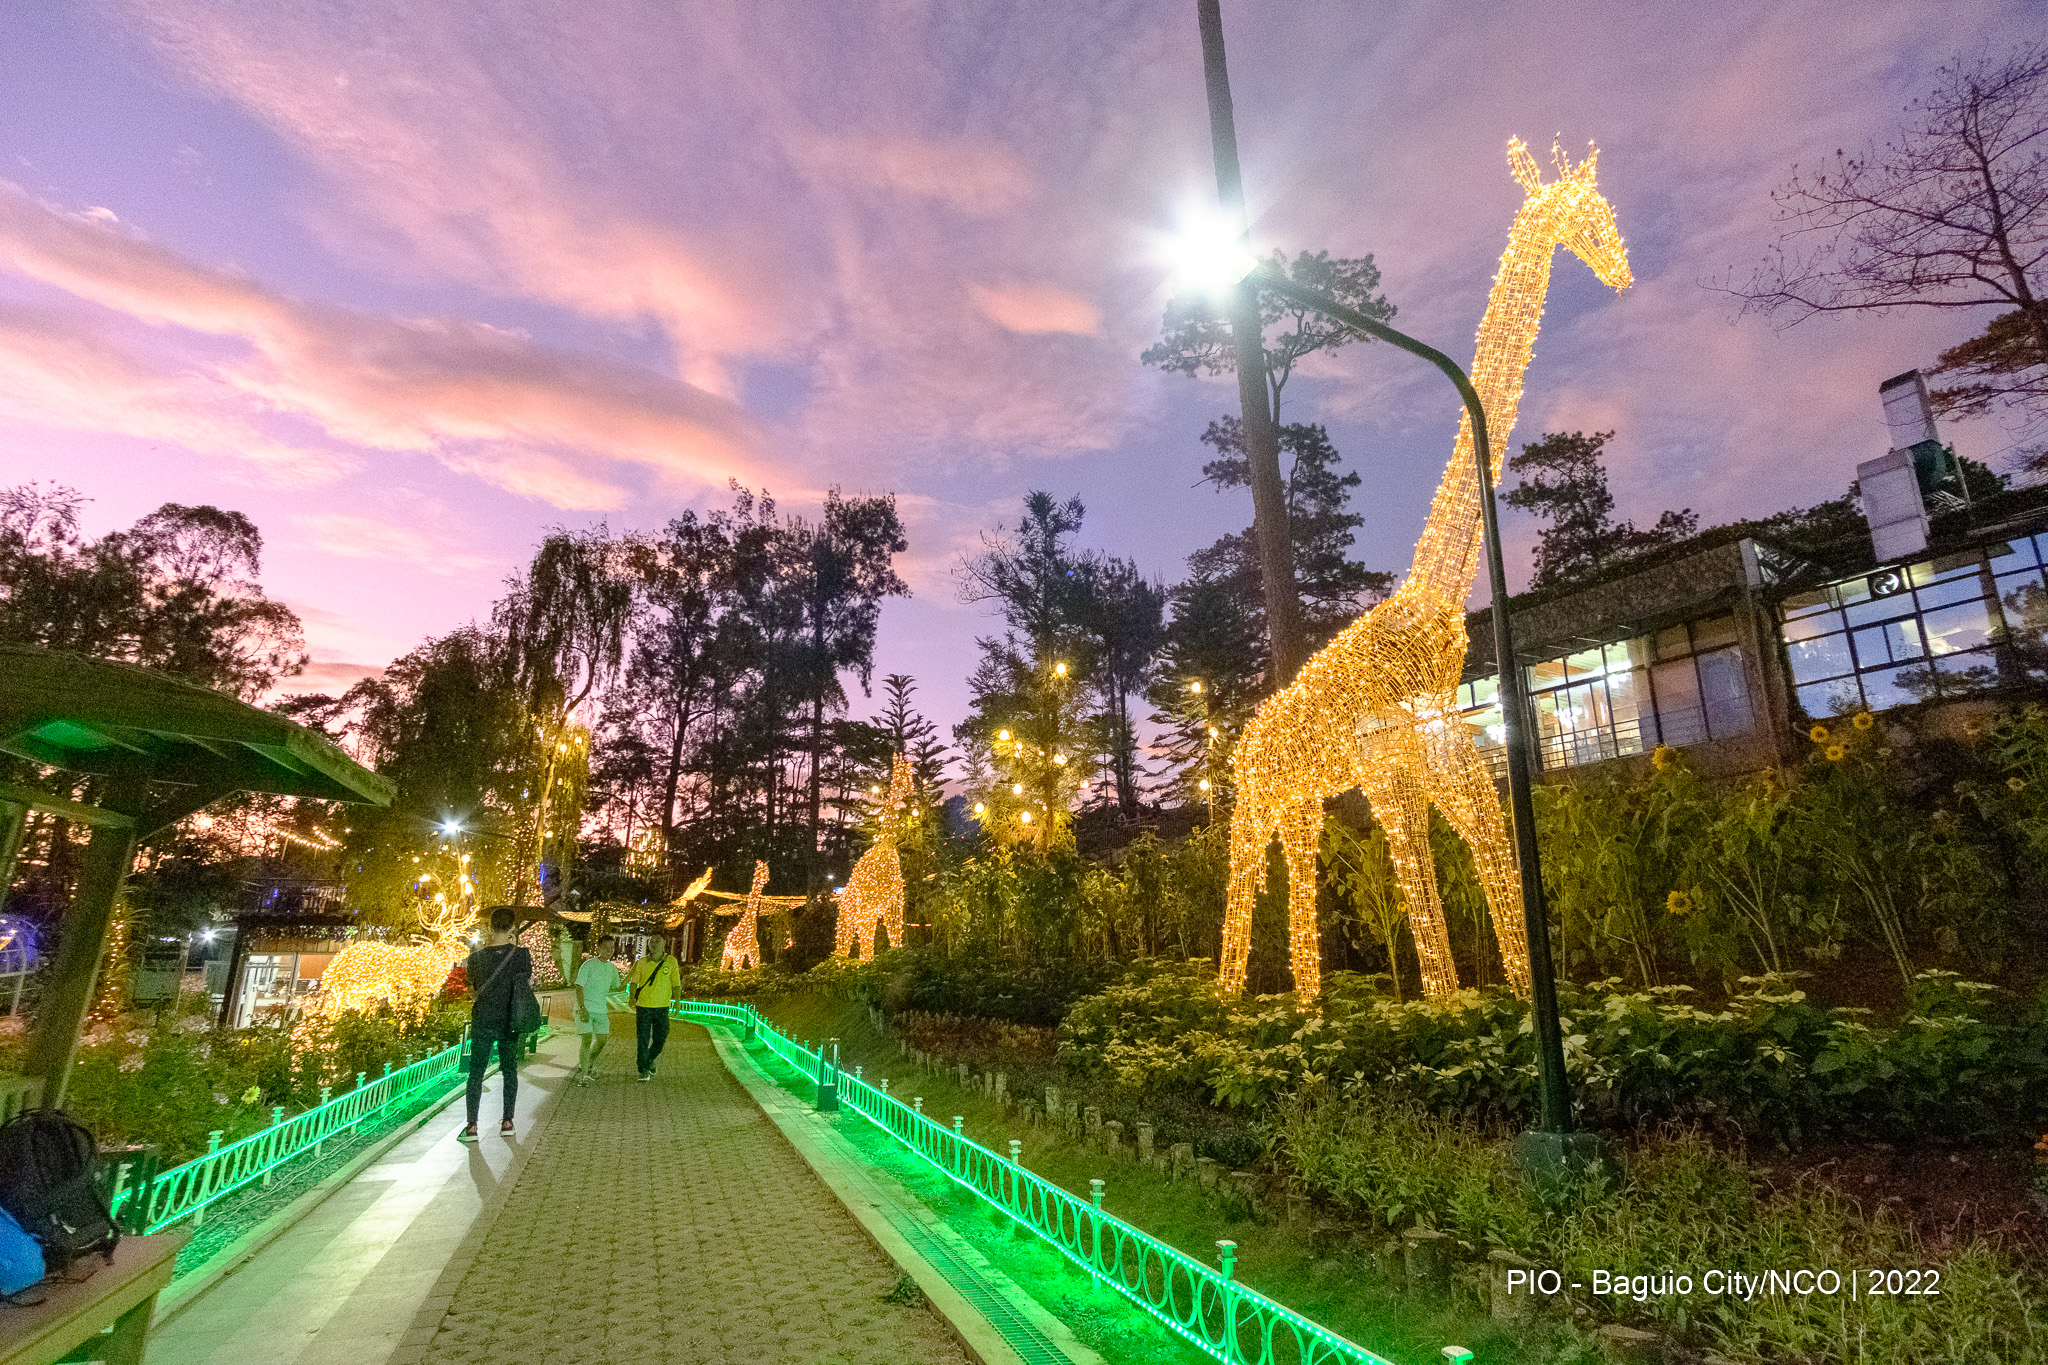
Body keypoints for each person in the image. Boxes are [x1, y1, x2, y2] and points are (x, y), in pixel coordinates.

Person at [460, 906, 531, 1141]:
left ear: (490, 927)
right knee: (509, 1070)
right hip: (510, 1020)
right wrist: (514, 943)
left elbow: (472, 987)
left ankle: (472, 1126)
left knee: (476, 1072)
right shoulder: (521, 955)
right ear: (512, 927)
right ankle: (508, 1121)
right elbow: (524, 979)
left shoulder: (476, 957)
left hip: (483, 1019)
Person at [626, 933, 681, 1081]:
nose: (654, 943)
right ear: (649, 944)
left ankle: (649, 1059)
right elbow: (634, 982)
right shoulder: (642, 962)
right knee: (642, 1039)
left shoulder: (671, 962)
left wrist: (677, 1001)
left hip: (662, 1007)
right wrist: (631, 997)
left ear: (664, 943)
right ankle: (642, 1069)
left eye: (658, 940)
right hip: (643, 1006)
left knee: (661, 1037)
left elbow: (676, 983)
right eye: (652, 941)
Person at [572, 934, 623, 1084]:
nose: (609, 950)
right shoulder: (588, 965)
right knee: (587, 1039)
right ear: (598, 948)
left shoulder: (612, 968)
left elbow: (616, 986)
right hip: (586, 1007)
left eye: (612, 948)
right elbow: (579, 986)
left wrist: (632, 973)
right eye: (606, 947)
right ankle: (584, 1075)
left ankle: (588, 1065)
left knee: (602, 1040)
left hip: (601, 1010)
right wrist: (582, 1008)